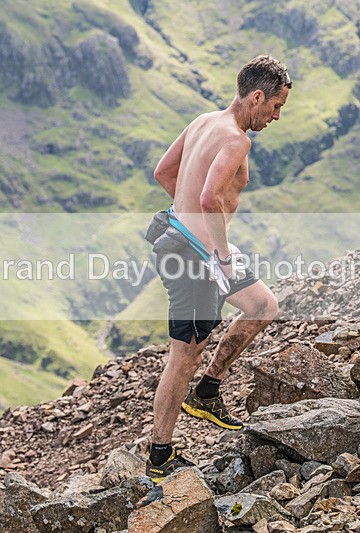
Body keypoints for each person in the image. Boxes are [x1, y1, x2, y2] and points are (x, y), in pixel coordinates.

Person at [145, 55, 291, 482]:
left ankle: (208, 391)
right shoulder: (236, 140)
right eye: (276, 106)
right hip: (194, 257)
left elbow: (163, 172)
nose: (276, 117)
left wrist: (192, 221)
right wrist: (220, 253)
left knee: (262, 304)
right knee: (183, 357)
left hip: (199, 245)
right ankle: (159, 456)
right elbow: (210, 199)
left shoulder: (203, 120)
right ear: (258, 96)